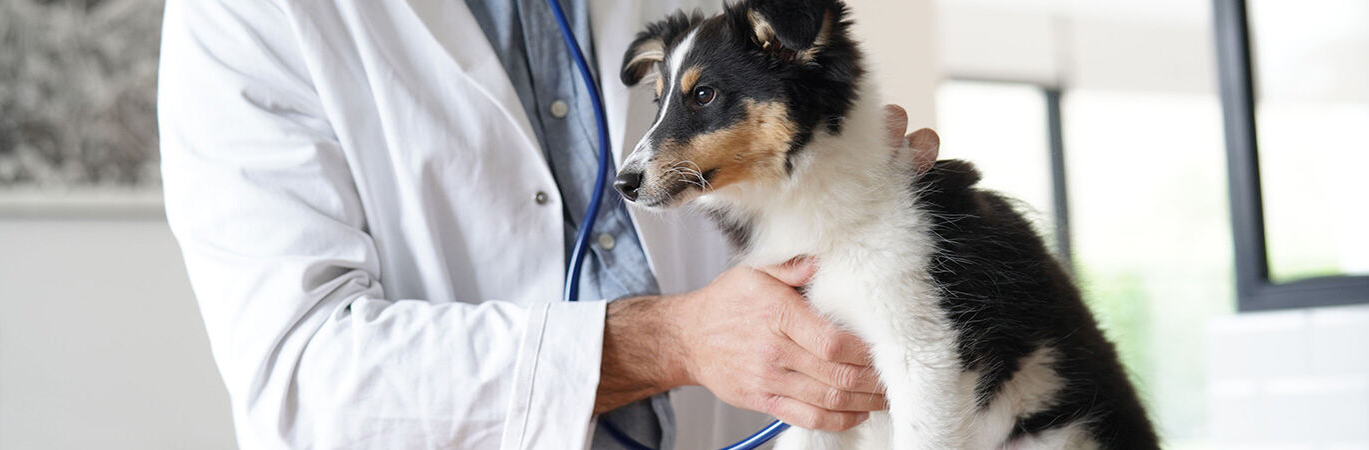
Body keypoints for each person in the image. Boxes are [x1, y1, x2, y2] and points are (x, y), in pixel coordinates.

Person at [158, 0, 939, 448]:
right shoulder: (246, 15)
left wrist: (839, 193)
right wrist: (671, 341)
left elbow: (769, 141)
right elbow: (299, 376)